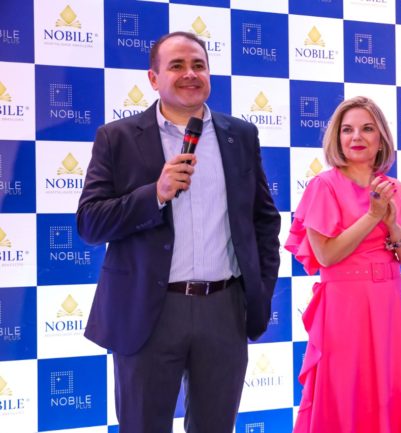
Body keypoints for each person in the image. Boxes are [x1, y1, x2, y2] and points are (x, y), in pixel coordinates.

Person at [76, 31, 281, 433]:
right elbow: (90, 222)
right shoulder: (117, 138)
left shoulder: (241, 135)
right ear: (154, 78)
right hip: (147, 313)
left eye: (198, 65)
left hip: (224, 310)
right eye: (177, 66)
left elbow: (263, 220)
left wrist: (257, 290)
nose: (190, 74)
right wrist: (155, 193)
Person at [285, 96, 401, 433]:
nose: (357, 137)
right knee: (345, 393)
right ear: (337, 138)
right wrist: (373, 216)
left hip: (389, 305)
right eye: (347, 130)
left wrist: (392, 225)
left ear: (381, 137)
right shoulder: (323, 186)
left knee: (391, 392)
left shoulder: (396, 189)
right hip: (344, 308)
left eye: (367, 128)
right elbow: (326, 255)